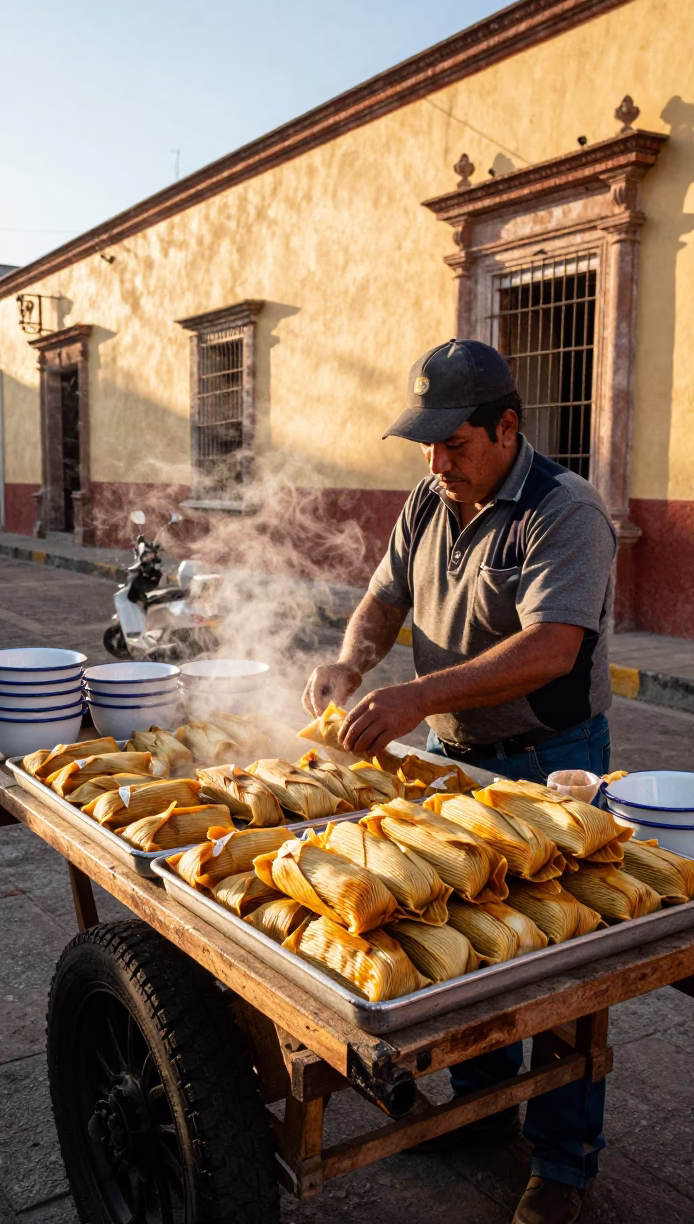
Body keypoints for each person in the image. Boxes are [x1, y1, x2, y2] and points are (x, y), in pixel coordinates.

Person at [302, 338, 617, 1224]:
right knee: (473, 948)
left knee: (559, 960)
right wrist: (351, 664)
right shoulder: (429, 499)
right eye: (428, 445)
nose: (439, 462)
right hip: (451, 763)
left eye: (455, 444)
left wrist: (416, 692)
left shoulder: (565, 512)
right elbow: (386, 597)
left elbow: (553, 647)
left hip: (548, 767)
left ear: (506, 427)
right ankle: (485, 1112)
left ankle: (563, 1166)